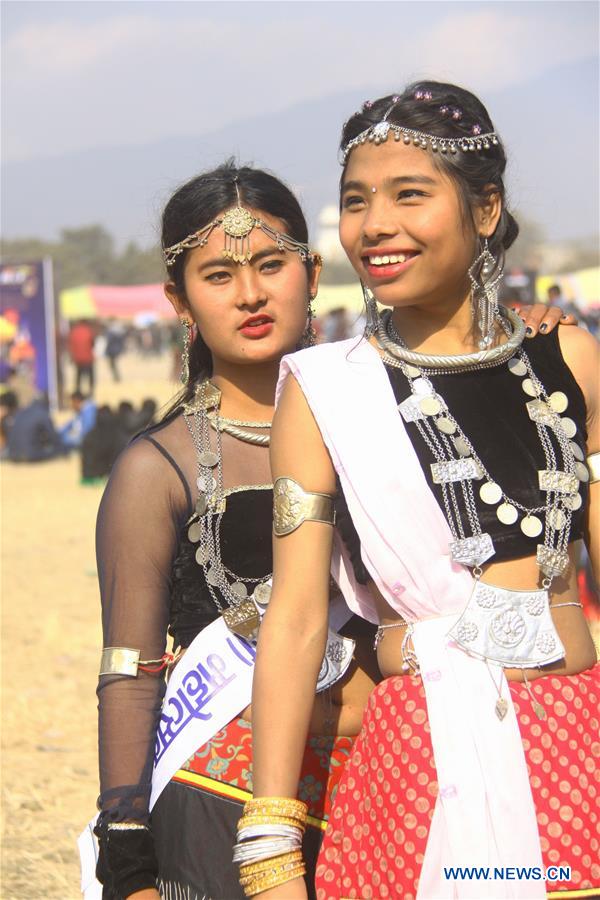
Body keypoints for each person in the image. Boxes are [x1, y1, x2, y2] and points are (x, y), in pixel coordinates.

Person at [246, 82, 599, 899]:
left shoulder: (568, 360)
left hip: (576, 753)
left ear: (485, 210)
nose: (375, 226)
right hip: (425, 767)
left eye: (411, 195)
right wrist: (268, 842)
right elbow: (296, 614)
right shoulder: (326, 390)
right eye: (356, 201)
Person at [93, 162, 383, 900]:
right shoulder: (158, 468)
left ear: (312, 272)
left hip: (389, 785)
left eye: (270, 264)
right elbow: (130, 671)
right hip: (219, 801)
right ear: (178, 299)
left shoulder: (388, 423)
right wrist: (127, 862)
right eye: (219, 275)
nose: (251, 294)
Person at [68, 319, 96, 394]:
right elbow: (92, 343)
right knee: (90, 375)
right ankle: (90, 391)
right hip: (88, 357)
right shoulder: (88, 331)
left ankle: (78, 390)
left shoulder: (74, 331)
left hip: (77, 358)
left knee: (78, 375)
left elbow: (71, 344)